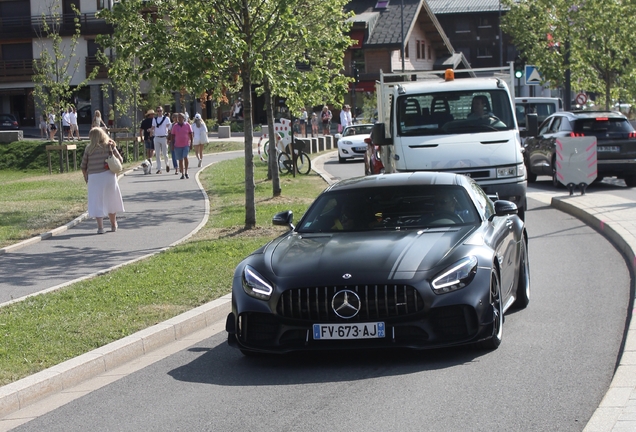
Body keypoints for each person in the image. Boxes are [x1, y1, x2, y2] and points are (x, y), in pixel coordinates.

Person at [80, 127, 125, 234]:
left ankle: (100, 227)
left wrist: (86, 177)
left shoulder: (88, 149)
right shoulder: (109, 146)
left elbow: (83, 166)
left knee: (97, 201)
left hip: (94, 177)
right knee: (111, 200)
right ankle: (113, 224)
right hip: (108, 176)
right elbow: (120, 160)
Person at [171, 112, 193, 179]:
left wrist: (191, 143)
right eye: (178, 117)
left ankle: (186, 172)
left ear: (184, 118)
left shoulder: (187, 125)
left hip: (186, 144)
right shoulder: (175, 126)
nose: (179, 119)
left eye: (181, 117)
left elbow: (191, 134)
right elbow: (172, 136)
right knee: (180, 160)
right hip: (177, 145)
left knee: (185, 157)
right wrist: (172, 144)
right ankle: (182, 174)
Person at [151, 106, 171, 174]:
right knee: (157, 154)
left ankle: (167, 164)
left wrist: (169, 137)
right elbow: (153, 127)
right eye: (158, 111)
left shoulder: (166, 118)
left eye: (160, 111)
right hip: (157, 137)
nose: (159, 112)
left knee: (165, 153)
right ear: (156, 112)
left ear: (162, 111)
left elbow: (169, 127)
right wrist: (150, 130)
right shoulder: (154, 119)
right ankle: (159, 168)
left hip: (164, 137)